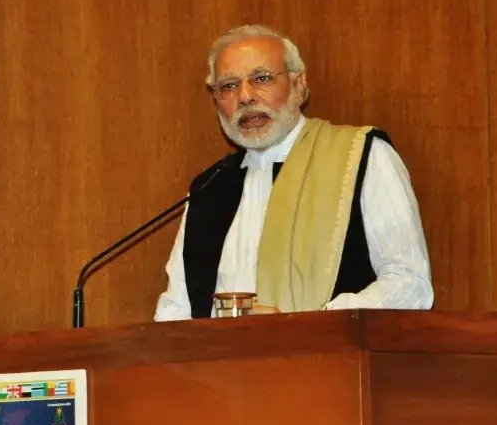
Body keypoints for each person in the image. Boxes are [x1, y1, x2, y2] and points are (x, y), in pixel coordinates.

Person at [154, 25, 433, 320]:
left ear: (299, 86)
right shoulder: (209, 188)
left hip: (328, 361)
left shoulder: (362, 156)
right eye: (229, 86)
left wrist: (305, 327)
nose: (245, 97)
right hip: (219, 364)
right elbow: (177, 309)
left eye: (261, 79)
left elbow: (409, 285)